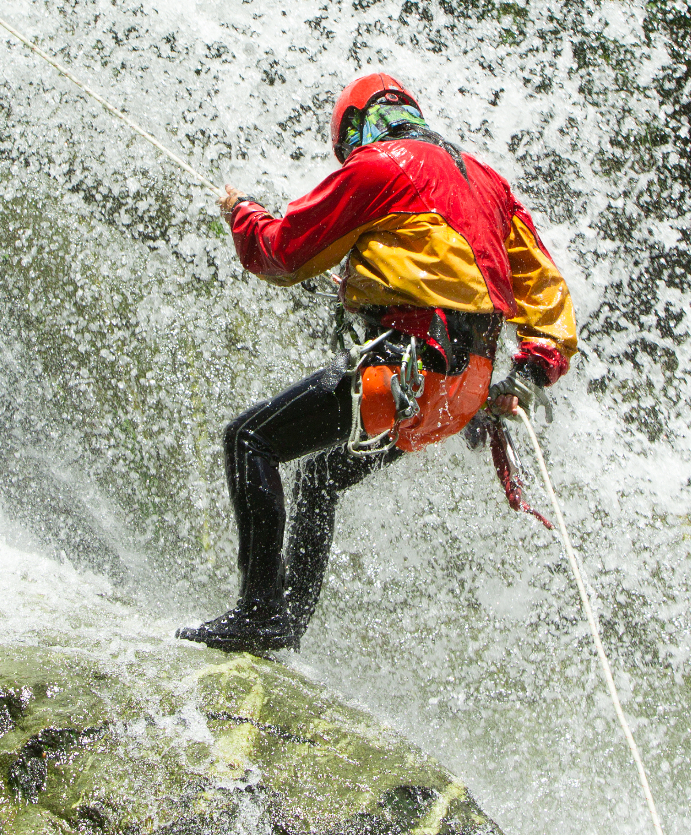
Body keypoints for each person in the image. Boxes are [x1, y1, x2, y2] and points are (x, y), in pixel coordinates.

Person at [178, 73, 576, 654]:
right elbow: (545, 287)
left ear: (355, 128)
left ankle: (260, 613)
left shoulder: (378, 166)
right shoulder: (487, 182)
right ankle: (286, 627)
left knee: (249, 440)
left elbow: (285, 252)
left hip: (408, 369)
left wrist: (242, 213)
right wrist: (532, 371)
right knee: (322, 475)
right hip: (465, 393)